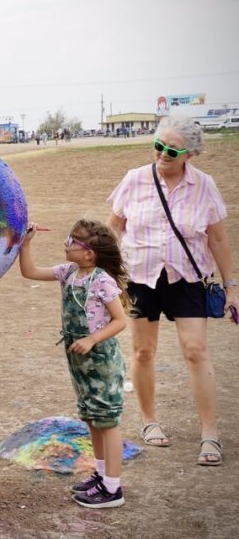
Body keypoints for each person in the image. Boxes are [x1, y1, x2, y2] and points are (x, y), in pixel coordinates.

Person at [107, 115, 237, 466]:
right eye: (158, 146)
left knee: (195, 350)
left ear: (189, 154)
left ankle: (209, 434)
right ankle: (149, 421)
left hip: (187, 278)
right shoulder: (135, 180)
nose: (162, 154)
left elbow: (218, 238)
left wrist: (232, 288)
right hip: (140, 277)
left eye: (171, 150)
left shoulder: (204, 185)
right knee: (143, 352)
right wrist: (102, 274)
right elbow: (115, 228)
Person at [19, 219, 129, 508]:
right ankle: (102, 475)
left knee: (107, 420)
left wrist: (92, 339)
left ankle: (113, 489)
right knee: (91, 417)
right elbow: (29, 271)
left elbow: (120, 321)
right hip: (79, 360)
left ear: (89, 253)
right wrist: (25, 243)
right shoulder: (68, 272)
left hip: (101, 360)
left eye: (72, 242)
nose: (66, 244)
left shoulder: (102, 281)